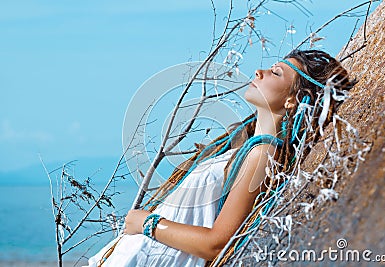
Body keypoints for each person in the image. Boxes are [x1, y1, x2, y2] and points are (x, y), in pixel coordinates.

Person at [86, 49, 355, 267]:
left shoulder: (263, 153)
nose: (258, 72)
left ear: (292, 101)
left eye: (275, 73)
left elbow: (218, 243)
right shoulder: (243, 148)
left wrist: (148, 223)